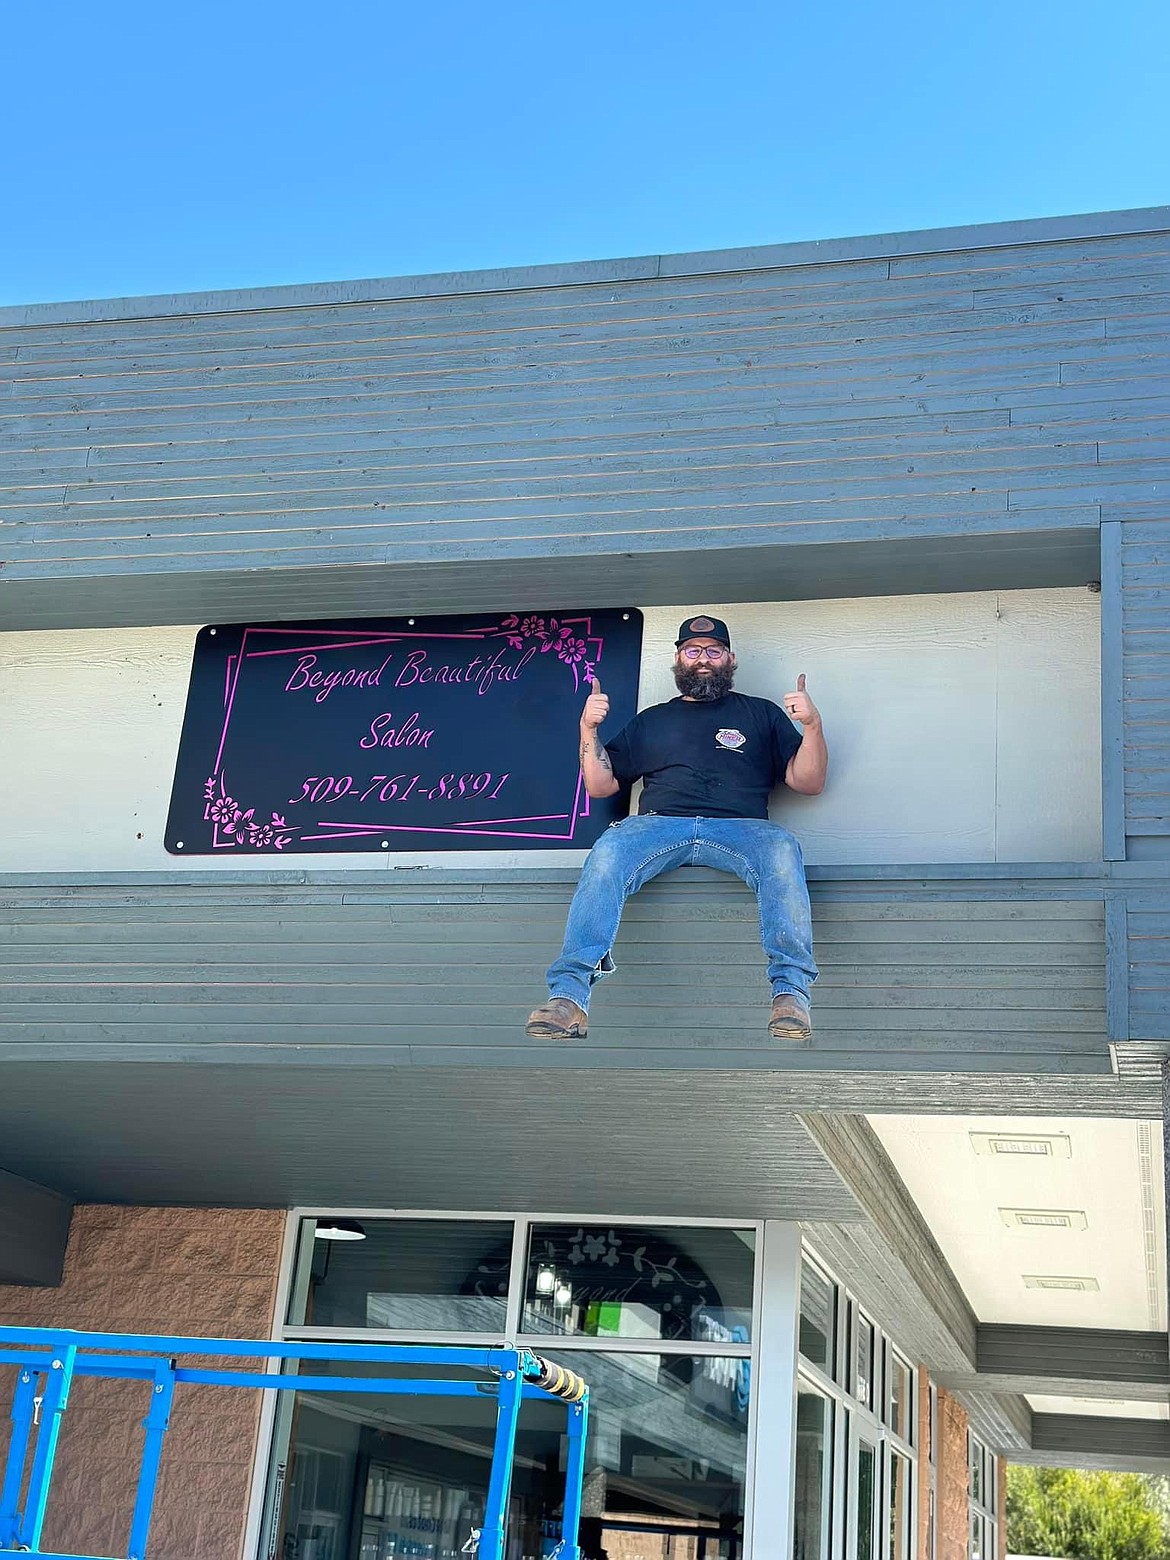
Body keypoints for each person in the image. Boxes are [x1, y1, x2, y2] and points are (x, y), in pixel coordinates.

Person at [526, 614, 828, 1043]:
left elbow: (808, 782)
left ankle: (791, 993)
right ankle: (569, 999)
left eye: (712, 651)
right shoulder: (652, 720)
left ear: (730, 658)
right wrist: (587, 729)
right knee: (609, 849)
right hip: (659, 826)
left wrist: (812, 727)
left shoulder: (760, 713)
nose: (702, 660)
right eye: (693, 651)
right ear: (678, 659)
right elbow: (601, 784)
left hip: (741, 828)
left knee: (783, 848)